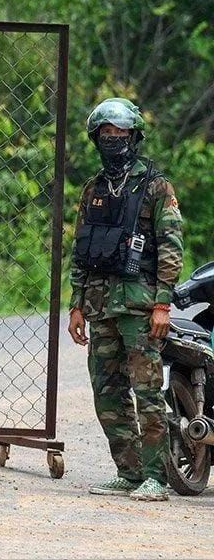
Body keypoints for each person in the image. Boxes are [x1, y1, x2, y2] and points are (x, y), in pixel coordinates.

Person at [68, 97, 184, 502]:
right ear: (96, 138)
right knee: (107, 392)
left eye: (121, 134)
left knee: (148, 393)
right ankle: (129, 471)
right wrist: (76, 304)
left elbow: (170, 246)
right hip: (100, 307)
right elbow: (81, 250)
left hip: (140, 305)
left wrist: (162, 303)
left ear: (134, 137)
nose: (114, 140)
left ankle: (157, 476)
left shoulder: (155, 186)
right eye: (106, 134)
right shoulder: (93, 188)